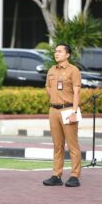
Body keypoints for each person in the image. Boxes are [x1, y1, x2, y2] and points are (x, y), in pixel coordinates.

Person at [43, 43, 82, 187]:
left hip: (68, 109)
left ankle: (74, 175)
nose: (56, 53)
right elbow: (47, 86)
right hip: (53, 110)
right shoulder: (52, 70)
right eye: (55, 51)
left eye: (59, 51)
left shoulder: (74, 70)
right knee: (57, 145)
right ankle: (56, 175)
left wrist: (74, 111)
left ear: (67, 55)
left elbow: (77, 92)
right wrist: (54, 96)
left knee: (72, 145)